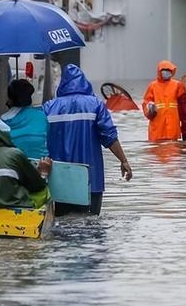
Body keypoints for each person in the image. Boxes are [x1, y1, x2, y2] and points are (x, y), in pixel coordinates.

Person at [43, 64, 132, 216]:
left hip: (59, 181)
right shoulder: (95, 104)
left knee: (61, 228)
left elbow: (40, 141)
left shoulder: (49, 107)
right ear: (85, 82)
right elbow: (109, 136)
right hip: (91, 180)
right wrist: (123, 160)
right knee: (92, 227)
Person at [0, 116, 52, 208]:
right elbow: (37, 185)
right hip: (17, 206)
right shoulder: (15, 154)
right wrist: (43, 173)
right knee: (43, 191)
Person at [1, 79, 49, 159]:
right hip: (41, 165)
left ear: (10, 99)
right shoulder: (41, 116)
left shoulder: (3, 121)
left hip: (13, 164)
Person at [142, 60, 186, 141]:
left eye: (169, 70)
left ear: (172, 71)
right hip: (157, 122)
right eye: (164, 70)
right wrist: (150, 111)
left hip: (173, 122)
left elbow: (185, 100)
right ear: (159, 71)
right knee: (157, 149)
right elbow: (146, 102)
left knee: (173, 148)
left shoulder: (177, 85)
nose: (166, 72)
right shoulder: (153, 86)